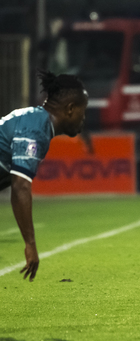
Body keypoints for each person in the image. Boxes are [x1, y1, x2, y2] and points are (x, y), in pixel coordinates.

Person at [0, 71, 88, 281]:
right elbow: (20, 186)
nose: (83, 119)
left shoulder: (36, 120)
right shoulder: (35, 130)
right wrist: (30, 244)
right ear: (69, 109)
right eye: (82, 112)